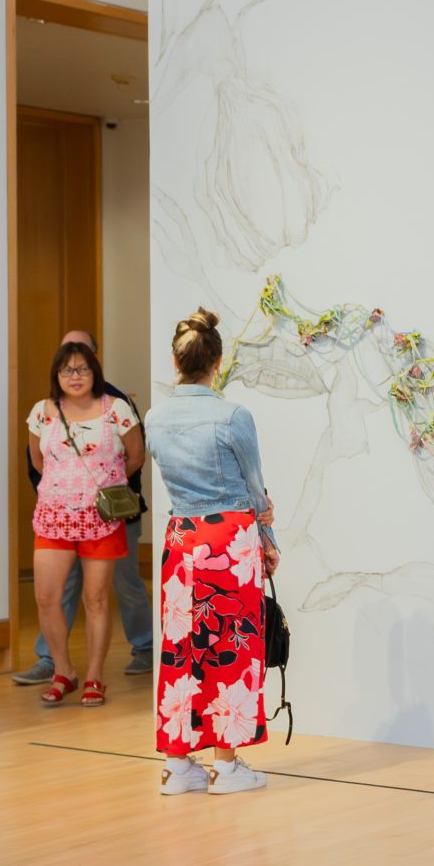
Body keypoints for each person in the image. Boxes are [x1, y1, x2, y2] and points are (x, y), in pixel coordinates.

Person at [142, 308, 277, 794]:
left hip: (182, 537)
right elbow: (255, 488)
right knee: (231, 644)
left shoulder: (155, 418)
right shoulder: (232, 416)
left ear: (176, 362)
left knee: (182, 646)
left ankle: (178, 765)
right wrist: (269, 543)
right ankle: (226, 763)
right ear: (217, 361)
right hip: (229, 536)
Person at [15, 330, 156, 684]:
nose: (74, 377)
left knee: (98, 598)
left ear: (95, 369)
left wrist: (104, 481)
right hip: (54, 518)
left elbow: (136, 455)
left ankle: (95, 675)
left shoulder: (117, 408)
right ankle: (62, 671)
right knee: (47, 597)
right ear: (56, 375)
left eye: (81, 369)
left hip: (103, 519)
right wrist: (65, 486)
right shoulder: (42, 412)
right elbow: (37, 459)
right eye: (66, 370)